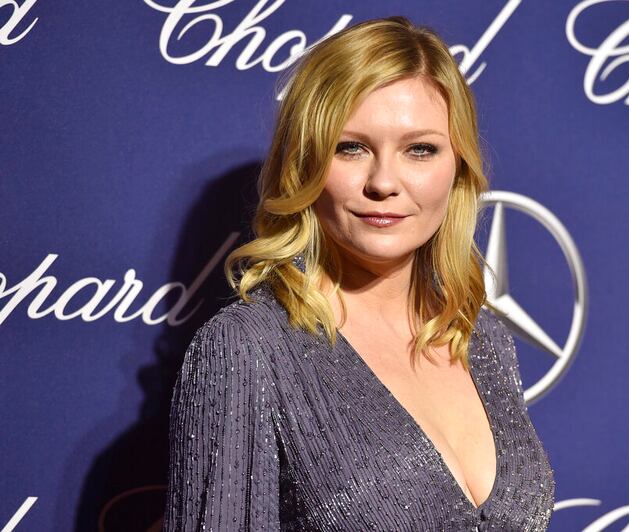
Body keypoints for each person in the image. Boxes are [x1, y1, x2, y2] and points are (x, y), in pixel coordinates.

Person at [163, 15, 554, 531]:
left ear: (457, 166)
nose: (384, 182)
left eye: (420, 149)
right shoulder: (247, 349)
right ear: (303, 164)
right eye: (351, 147)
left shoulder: (481, 338)